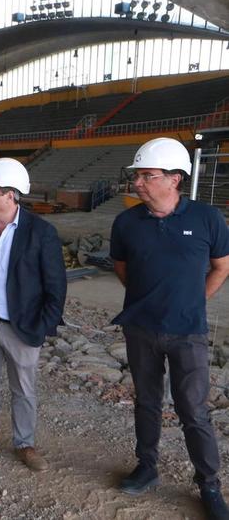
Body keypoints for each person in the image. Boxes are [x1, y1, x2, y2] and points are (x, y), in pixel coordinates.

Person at [110, 137, 229, 518]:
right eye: (137, 176)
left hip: (188, 332)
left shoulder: (207, 218)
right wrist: (150, 298)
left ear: (175, 179)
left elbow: (222, 266)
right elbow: (122, 267)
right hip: (140, 329)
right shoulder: (126, 222)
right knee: (146, 401)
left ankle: (209, 484)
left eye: (148, 176)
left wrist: (194, 300)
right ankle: (147, 467)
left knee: (193, 408)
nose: (138, 183)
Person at [0, 158, 66, 472]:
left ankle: (25, 445)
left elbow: (56, 286)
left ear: (10, 195)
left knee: (24, 389)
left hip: (23, 327)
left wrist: (43, 325)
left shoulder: (42, 232)